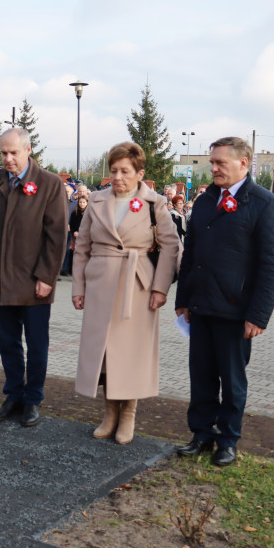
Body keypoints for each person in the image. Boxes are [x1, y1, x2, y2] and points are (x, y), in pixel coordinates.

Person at [174, 136, 274, 467]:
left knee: (232, 379)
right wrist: (183, 298)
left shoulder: (264, 204)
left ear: (243, 164)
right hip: (202, 305)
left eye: (220, 162)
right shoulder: (207, 200)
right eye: (212, 162)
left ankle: (228, 439)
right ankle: (201, 434)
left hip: (236, 311)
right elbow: (191, 252)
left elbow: (273, 265)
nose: (214, 168)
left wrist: (259, 316)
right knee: (202, 375)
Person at [72, 142, 181, 445]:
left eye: (125, 171)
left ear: (140, 173)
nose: (118, 177)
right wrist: (78, 287)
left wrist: (160, 287)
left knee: (130, 353)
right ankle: (109, 412)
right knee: (104, 353)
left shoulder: (153, 203)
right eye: (114, 171)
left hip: (138, 286)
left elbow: (171, 246)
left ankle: (129, 413)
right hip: (100, 284)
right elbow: (82, 248)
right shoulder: (95, 201)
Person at [0, 128, 68, 428]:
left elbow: (56, 237)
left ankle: (33, 400)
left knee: (37, 344)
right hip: (2, 278)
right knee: (8, 342)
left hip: (34, 281)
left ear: (28, 150)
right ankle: (13, 395)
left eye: (14, 152)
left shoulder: (49, 184)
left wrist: (47, 276)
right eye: (4, 152)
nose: (8, 158)